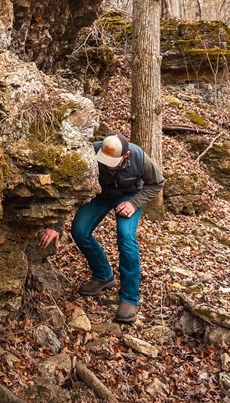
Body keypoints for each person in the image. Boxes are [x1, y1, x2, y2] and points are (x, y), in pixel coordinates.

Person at [38, 132, 164, 324]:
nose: (106, 164)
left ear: (126, 156)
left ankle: (129, 298)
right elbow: (70, 188)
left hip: (129, 197)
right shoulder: (91, 152)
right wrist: (55, 224)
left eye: (112, 162)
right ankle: (103, 275)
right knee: (79, 231)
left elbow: (156, 183)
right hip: (99, 195)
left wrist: (135, 203)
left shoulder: (139, 157)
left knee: (126, 237)